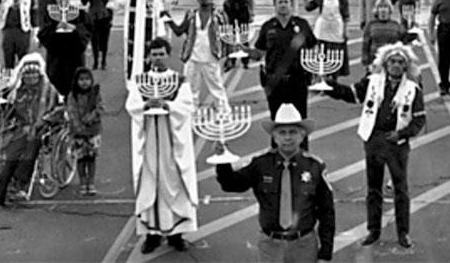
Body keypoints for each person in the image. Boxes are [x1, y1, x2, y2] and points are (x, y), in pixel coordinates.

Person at [323, 43, 424, 248]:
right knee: (373, 189)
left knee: (400, 190)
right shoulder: (372, 82)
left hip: (397, 144)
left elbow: (419, 120)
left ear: (406, 66)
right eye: (392, 61)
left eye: (400, 62)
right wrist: (328, 86)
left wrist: (401, 134)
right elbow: (351, 94)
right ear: (385, 63)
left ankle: (403, 232)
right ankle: (373, 230)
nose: (396, 65)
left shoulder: (413, 89)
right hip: (374, 140)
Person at [215, 103, 336, 262]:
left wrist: (325, 252)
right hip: (270, 245)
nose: (287, 138)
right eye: (282, 132)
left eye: (293, 132)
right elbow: (232, 184)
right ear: (274, 136)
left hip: (304, 245)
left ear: (302, 135)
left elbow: (327, 212)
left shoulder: (314, 167)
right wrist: (222, 161)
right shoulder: (260, 164)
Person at [126, 38, 196, 254]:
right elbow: (132, 105)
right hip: (149, 140)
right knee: (150, 182)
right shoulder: (141, 80)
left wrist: (168, 105)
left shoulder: (179, 80)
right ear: (149, 57)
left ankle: (177, 234)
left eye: (161, 54)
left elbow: (186, 106)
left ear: (168, 54)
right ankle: (151, 234)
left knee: (174, 181)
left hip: (171, 140)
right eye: (154, 54)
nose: (158, 58)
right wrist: (145, 105)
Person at [0, 52, 53, 206]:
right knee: (9, 145)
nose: (31, 77)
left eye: (34, 73)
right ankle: (5, 180)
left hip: (42, 128)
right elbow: (4, 112)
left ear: (39, 74)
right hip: (19, 128)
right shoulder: (15, 91)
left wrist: (42, 122)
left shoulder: (49, 90)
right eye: (27, 74)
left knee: (30, 145)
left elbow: (59, 109)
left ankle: (19, 181)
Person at [252, 0, 318, 124]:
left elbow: (313, 47)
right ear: (274, 5)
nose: (283, 5)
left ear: (291, 4)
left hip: (298, 80)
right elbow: (259, 53)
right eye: (280, 2)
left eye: (286, 2)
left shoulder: (302, 25)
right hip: (274, 82)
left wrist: (316, 69)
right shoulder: (267, 27)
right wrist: (244, 51)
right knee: (276, 120)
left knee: (300, 120)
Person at [165, 0, 230, 108]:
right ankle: (191, 112)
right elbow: (179, 31)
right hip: (192, 57)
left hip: (211, 57)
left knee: (217, 88)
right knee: (189, 89)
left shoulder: (219, 15)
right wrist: (168, 19)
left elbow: (227, 36)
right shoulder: (191, 14)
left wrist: (230, 57)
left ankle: (224, 112)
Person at [109, 0, 167, 79]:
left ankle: (147, 80)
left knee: (147, 56)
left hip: (148, 33)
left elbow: (159, 13)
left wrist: (161, 32)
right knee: (131, 57)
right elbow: (116, 4)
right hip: (133, 34)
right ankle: (131, 81)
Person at [37, 0, 91, 96]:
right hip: (56, 55)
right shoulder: (49, 13)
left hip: (74, 53)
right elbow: (43, 32)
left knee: (75, 82)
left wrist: (74, 28)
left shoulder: (79, 13)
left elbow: (88, 30)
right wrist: (55, 27)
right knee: (56, 83)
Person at [304, 0, 351, 79]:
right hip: (323, 29)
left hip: (336, 29)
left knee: (335, 56)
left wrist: (345, 30)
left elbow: (346, 15)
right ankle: (321, 78)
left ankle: (334, 79)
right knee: (321, 54)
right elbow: (310, 7)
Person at [67, 67, 102, 196]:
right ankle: (82, 182)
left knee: (91, 158)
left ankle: (91, 182)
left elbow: (100, 108)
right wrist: (79, 127)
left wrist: (90, 118)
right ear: (76, 81)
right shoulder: (73, 96)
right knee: (81, 159)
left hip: (93, 131)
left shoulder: (95, 94)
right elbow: (72, 112)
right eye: (81, 79)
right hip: (78, 133)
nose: (84, 82)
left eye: (87, 79)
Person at [80, 0, 113, 70]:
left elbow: (108, 2)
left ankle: (103, 60)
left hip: (103, 15)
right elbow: (84, 2)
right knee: (94, 39)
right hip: (93, 15)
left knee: (104, 39)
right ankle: (95, 61)